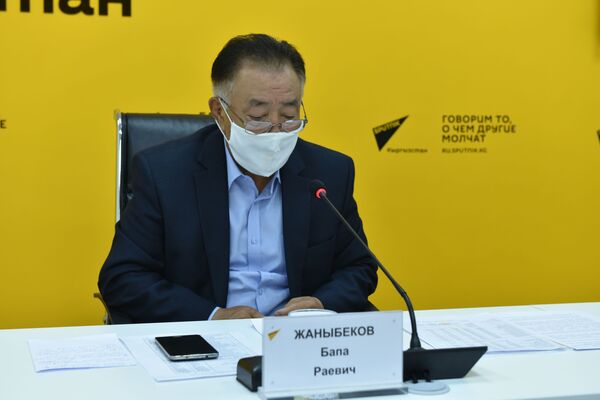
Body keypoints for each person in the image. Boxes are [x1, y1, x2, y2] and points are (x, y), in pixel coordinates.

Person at [98, 33, 377, 322]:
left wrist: (321, 303)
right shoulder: (164, 174)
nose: (275, 130)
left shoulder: (329, 173)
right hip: (204, 335)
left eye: (289, 115)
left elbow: (359, 267)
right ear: (220, 112)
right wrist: (212, 316)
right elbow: (123, 277)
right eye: (258, 118)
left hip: (297, 338)